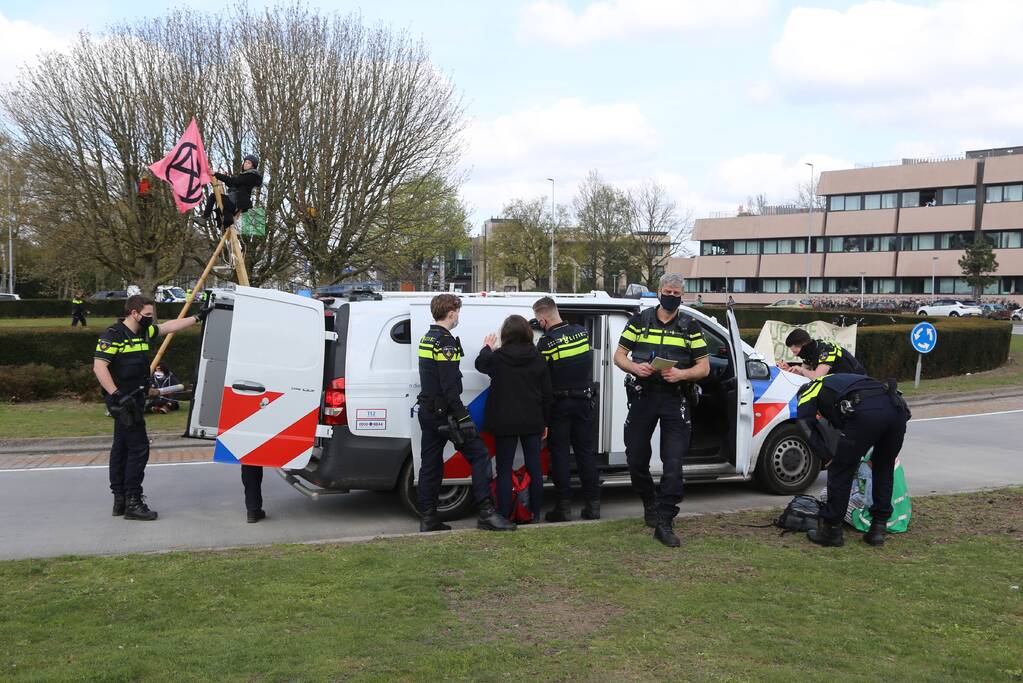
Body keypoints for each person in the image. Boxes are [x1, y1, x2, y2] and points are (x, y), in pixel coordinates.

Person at [613, 273, 710, 547]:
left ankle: (665, 521)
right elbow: (619, 355)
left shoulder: (689, 325)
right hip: (643, 396)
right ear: (659, 291)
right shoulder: (640, 320)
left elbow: (704, 367)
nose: (671, 297)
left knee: (673, 463)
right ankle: (650, 503)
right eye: (667, 291)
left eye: (676, 294)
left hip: (674, 398)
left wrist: (681, 374)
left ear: (682, 296)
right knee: (635, 457)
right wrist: (634, 367)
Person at [93, 295, 205, 520]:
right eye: (146, 315)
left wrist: (197, 317)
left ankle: (120, 500)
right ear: (133, 313)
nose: (150, 319)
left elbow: (169, 327)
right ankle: (133, 500)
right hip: (124, 401)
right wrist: (117, 396)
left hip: (134, 399)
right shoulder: (113, 335)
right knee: (139, 449)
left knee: (122, 448)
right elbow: (99, 367)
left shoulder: (144, 332)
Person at [416, 294, 516, 533]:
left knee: (430, 465)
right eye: (458, 312)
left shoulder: (427, 338)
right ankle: (486, 514)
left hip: (428, 411)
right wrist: (463, 418)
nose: (458, 316)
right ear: (451, 313)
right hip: (445, 413)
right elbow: (449, 387)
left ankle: (428, 518)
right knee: (480, 456)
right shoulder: (446, 342)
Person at [795, 373, 911, 547]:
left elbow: (804, 423)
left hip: (867, 413)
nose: (819, 415)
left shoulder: (811, 388)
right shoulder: (840, 381)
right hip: (896, 410)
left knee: (841, 470)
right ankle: (877, 530)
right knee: (883, 468)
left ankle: (831, 532)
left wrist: (826, 456)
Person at [475, 315, 552, 523]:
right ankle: (535, 513)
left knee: (504, 468)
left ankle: (504, 513)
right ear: (528, 333)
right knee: (535, 468)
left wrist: (487, 347)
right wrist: (545, 422)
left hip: (504, 422)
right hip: (532, 420)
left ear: (506, 334)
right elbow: (547, 394)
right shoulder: (538, 358)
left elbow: (480, 364)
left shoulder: (497, 358)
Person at [532, 296, 601, 522]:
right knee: (585, 453)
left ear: (542, 320)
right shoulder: (582, 332)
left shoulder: (547, 343)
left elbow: (541, 376)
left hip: (560, 405)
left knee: (560, 455)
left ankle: (563, 508)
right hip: (583, 402)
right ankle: (593, 506)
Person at [203, 154, 263, 229]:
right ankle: (226, 223)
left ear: (253, 166)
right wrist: (225, 179)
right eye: (245, 162)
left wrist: (216, 174)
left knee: (213, 196)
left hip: (236, 203)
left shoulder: (251, 176)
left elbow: (233, 181)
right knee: (225, 216)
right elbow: (234, 185)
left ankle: (205, 217)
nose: (246, 164)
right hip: (233, 201)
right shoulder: (245, 175)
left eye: (248, 163)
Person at [778, 328, 866, 378]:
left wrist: (801, 369)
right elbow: (804, 375)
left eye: (795, 351)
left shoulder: (826, 351)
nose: (795, 355)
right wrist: (789, 369)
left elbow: (817, 376)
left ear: (804, 345)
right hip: (841, 380)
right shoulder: (810, 351)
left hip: (858, 382)